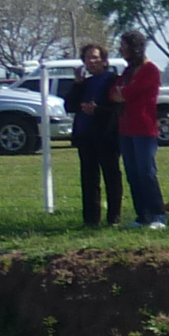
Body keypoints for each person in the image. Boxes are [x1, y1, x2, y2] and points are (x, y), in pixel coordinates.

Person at [57, 41, 122, 228]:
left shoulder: (113, 80)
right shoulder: (83, 83)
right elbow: (69, 105)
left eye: (95, 58)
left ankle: (114, 218)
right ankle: (91, 219)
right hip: (85, 136)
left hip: (106, 135)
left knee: (111, 176)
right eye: (87, 58)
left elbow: (116, 106)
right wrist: (78, 86)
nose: (91, 62)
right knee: (88, 178)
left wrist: (98, 109)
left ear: (104, 60)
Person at [112, 31, 166, 230]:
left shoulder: (150, 70)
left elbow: (127, 93)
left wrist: (122, 93)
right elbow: (114, 93)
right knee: (132, 173)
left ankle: (158, 215)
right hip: (125, 128)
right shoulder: (127, 72)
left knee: (146, 172)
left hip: (144, 129)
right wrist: (121, 93)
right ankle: (142, 215)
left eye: (124, 46)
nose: (121, 50)